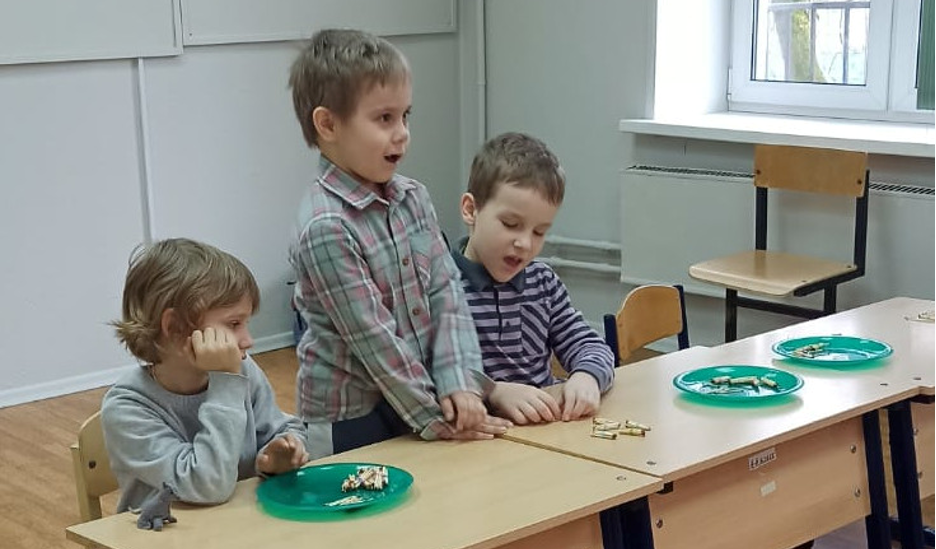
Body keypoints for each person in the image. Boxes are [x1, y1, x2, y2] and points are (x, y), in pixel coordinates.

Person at [287, 28, 509, 458]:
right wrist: (437, 417)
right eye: (384, 119)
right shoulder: (326, 227)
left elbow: (446, 293)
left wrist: (459, 380)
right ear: (328, 124)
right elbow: (376, 342)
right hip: (351, 423)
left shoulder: (414, 197)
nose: (402, 132)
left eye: (406, 115)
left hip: (419, 397)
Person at [102, 238, 309, 516]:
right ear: (174, 327)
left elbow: (284, 428)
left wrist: (280, 454)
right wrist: (226, 383)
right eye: (234, 324)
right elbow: (207, 486)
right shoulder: (127, 408)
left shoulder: (242, 371)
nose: (248, 340)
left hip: (237, 524)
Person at [451, 132, 616, 425]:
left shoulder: (542, 282)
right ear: (470, 209)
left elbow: (589, 345)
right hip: (477, 436)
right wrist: (494, 391)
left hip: (545, 430)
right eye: (511, 224)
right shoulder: (440, 286)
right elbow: (428, 372)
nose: (525, 243)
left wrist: (587, 376)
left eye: (539, 232)